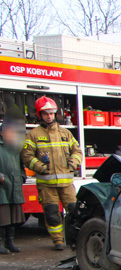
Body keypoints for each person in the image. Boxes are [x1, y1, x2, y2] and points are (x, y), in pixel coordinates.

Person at [20, 96, 82, 250]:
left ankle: (76, 238)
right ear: (39, 115)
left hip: (66, 184)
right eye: (46, 113)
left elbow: (77, 151)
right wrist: (40, 167)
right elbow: (26, 156)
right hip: (47, 185)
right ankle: (58, 241)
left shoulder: (65, 133)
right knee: (52, 213)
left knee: (75, 211)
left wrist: (73, 163)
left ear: (55, 114)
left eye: (52, 113)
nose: (49, 116)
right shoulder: (33, 135)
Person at [0, 113, 26, 253]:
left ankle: (9, 242)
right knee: (2, 216)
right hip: (1, 187)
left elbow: (21, 165)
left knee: (13, 216)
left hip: (15, 185)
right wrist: (2, 178)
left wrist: (22, 177)